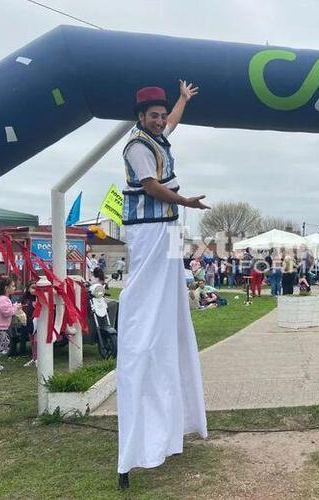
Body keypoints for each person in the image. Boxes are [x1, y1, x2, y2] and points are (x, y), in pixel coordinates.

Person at [117, 81, 210, 488]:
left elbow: (172, 122)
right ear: (140, 116)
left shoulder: (157, 136)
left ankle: (173, 422)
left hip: (166, 229)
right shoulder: (138, 146)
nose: (159, 119)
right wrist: (186, 202)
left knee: (170, 316)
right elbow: (153, 187)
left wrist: (183, 100)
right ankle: (142, 436)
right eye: (152, 114)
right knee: (147, 317)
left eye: (160, 114)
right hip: (151, 228)